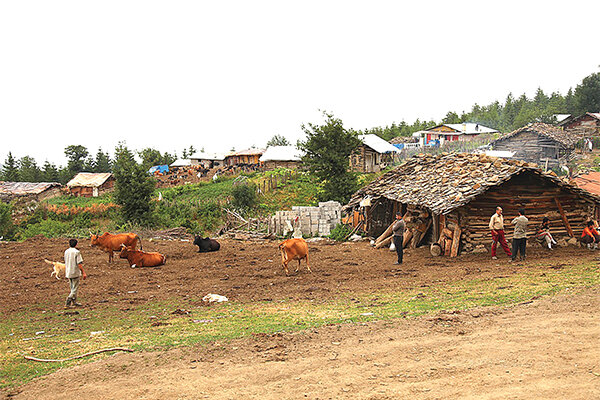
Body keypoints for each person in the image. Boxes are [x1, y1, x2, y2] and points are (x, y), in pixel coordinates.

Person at [64, 238, 87, 307]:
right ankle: (68, 300)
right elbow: (79, 263)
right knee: (75, 288)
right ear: (76, 244)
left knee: (72, 287)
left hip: (68, 271)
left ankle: (74, 302)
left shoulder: (66, 251)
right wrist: (83, 272)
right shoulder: (77, 252)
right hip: (75, 272)